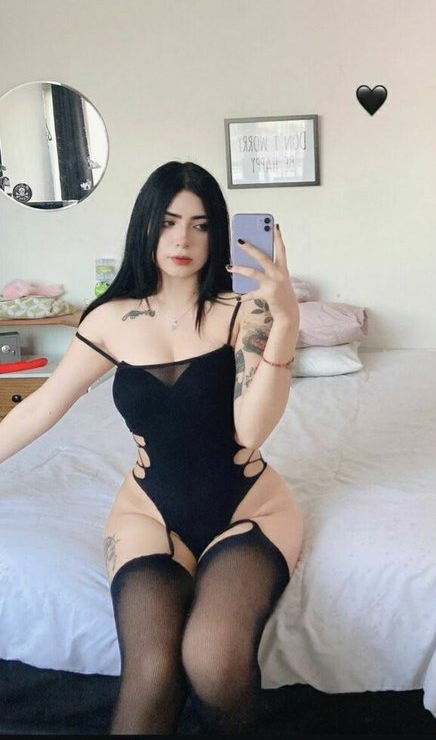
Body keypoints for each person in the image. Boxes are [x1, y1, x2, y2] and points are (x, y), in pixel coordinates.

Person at [0, 160, 304, 735]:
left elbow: (251, 431)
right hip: (149, 511)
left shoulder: (246, 310)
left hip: (249, 509)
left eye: (200, 225)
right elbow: (42, 407)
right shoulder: (109, 319)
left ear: (219, 233)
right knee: (153, 670)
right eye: (168, 222)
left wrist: (284, 321)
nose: (182, 239)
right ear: (145, 226)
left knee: (214, 660)